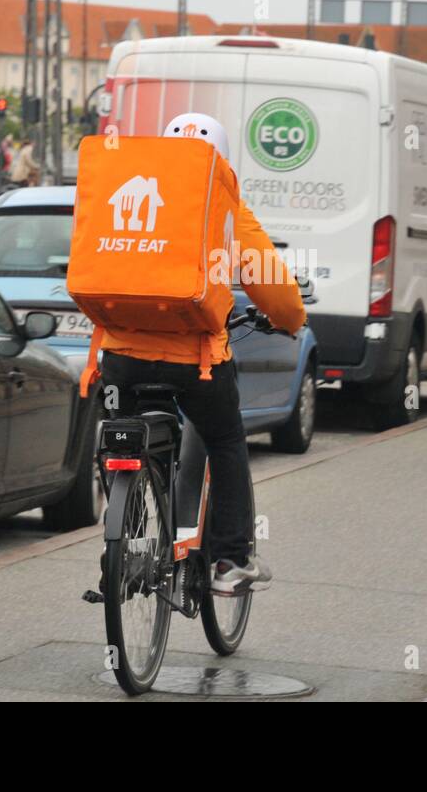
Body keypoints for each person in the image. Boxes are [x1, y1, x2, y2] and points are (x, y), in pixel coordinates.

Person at [94, 113, 306, 595]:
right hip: (194, 363)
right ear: (223, 162)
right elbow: (274, 289)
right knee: (227, 441)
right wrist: (292, 320)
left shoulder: (127, 190)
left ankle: (123, 542)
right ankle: (230, 561)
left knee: (120, 443)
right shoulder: (225, 206)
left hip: (121, 356)